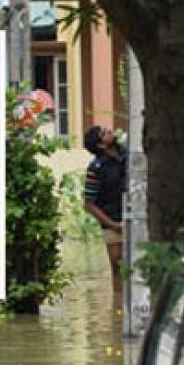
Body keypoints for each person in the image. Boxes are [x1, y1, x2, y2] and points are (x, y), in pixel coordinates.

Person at [83, 125, 127, 293]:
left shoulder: (129, 155)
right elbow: (89, 204)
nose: (109, 130)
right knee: (117, 265)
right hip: (112, 221)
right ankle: (118, 304)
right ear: (101, 145)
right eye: (104, 133)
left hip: (136, 216)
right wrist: (113, 225)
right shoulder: (96, 169)